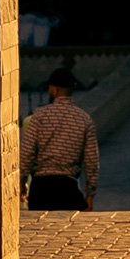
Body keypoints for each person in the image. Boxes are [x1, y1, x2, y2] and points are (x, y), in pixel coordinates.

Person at [20, 65, 100, 211]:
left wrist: (22, 182)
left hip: (41, 189)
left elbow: (27, 153)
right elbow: (92, 162)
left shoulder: (39, 116)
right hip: (69, 189)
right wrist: (90, 194)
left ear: (53, 89)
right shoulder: (84, 119)